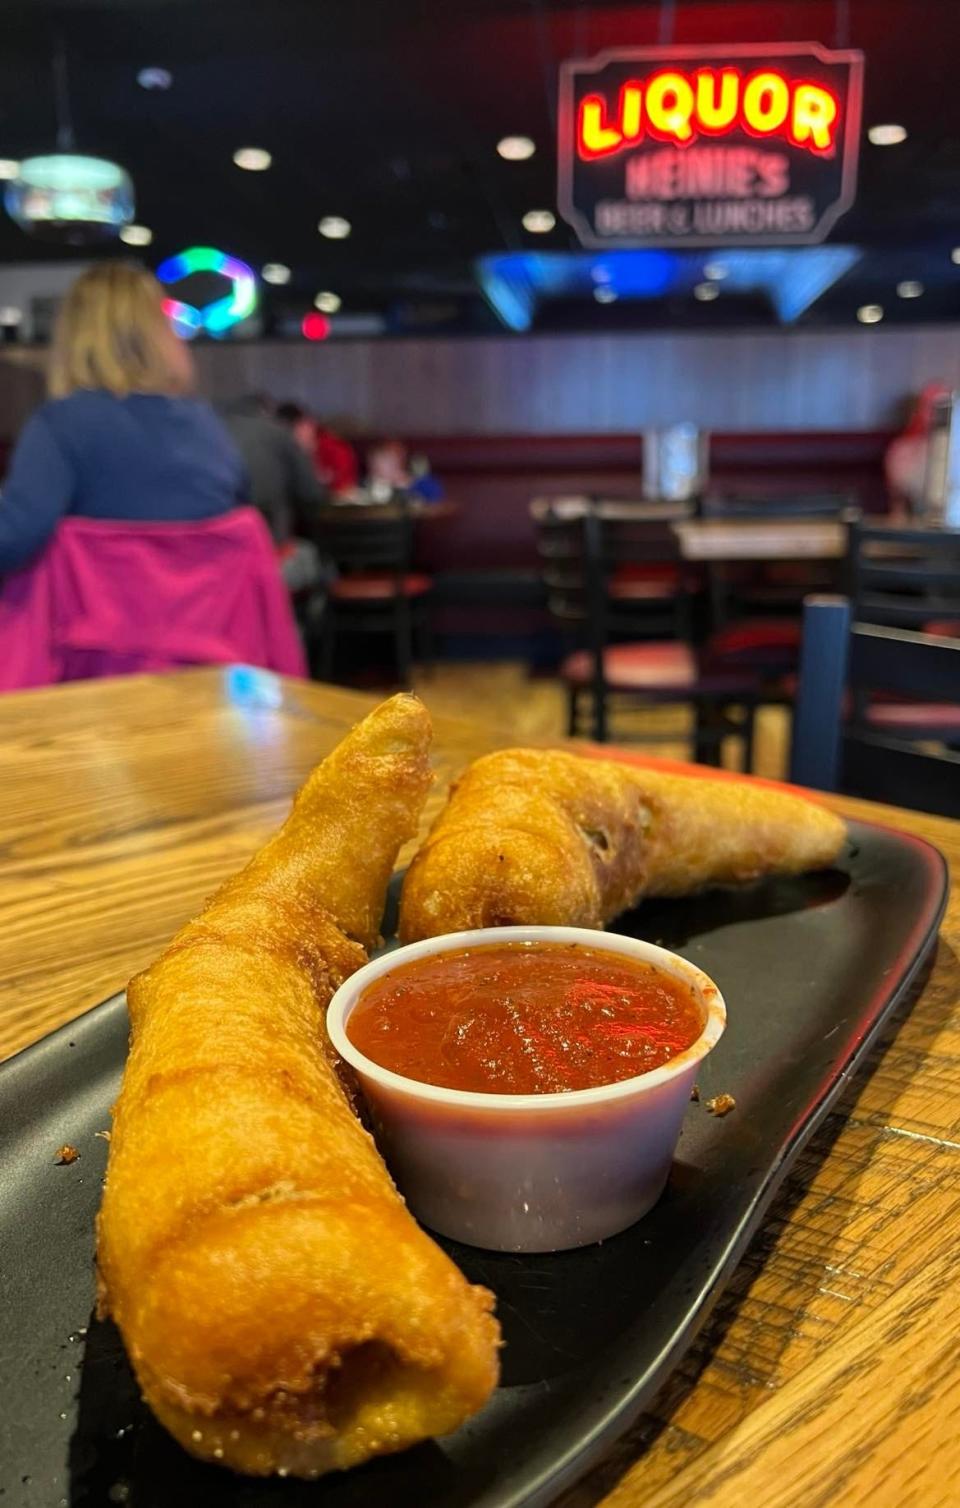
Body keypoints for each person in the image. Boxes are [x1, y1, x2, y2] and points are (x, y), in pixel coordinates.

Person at [0, 262, 246, 575]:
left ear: (73, 337)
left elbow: (11, 540)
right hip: (208, 620)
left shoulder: (61, 425)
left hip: (92, 621)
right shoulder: (207, 426)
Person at [220, 392, 329, 549]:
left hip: (221, 544)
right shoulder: (278, 434)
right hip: (272, 543)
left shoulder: (212, 433)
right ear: (267, 411)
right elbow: (311, 495)